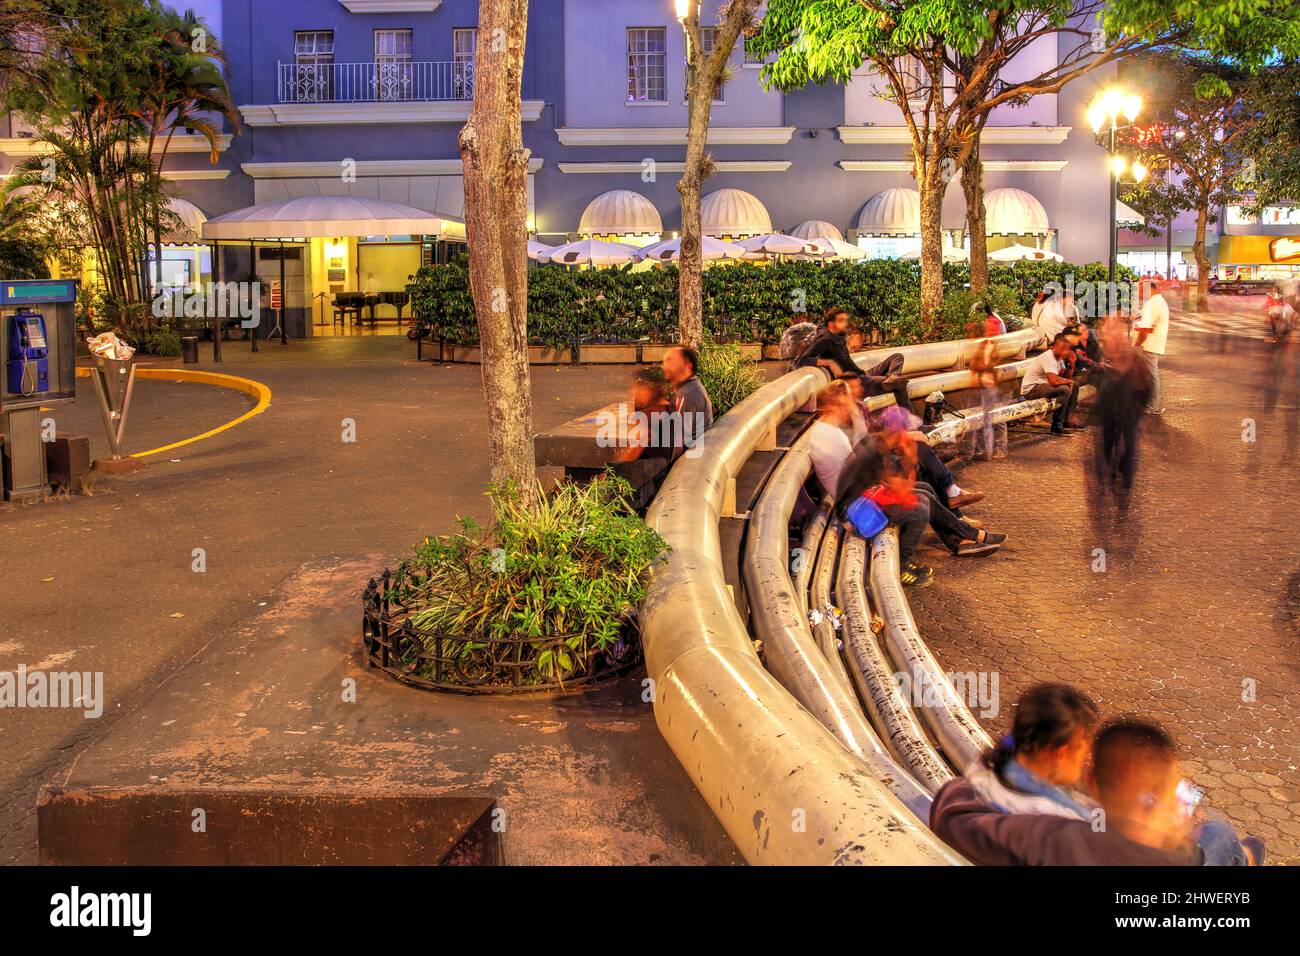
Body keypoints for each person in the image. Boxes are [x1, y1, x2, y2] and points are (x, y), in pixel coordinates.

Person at [933, 714, 1263, 866]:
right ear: (1158, 807)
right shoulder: (1182, 858)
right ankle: (1247, 859)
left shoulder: (1054, 839)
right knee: (1219, 833)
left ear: (1092, 785)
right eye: (1178, 797)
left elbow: (952, 813)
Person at [870, 405, 1005, 558]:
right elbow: (898, 487)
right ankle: (965, 529)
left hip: (875, 490)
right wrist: (910, 458)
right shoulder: (872, 453)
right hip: (865, 506)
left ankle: (961, 536)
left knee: (926, 485)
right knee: (922, 499)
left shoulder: (876, 446)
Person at [844, 376, 985, 510]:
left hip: (875, 456)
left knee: (924, 450)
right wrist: (903, 437)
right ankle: (952, 497)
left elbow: (870, 437)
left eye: (858, 387)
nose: (859, 390)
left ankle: (954, 505)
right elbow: (864, 444)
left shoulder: (859, 407)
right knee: (921, 453)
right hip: (870, 465)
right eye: (852, 388)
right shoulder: (847, 415)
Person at [965, 316, 1009, 461]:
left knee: (997, 418)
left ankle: (1000, 448)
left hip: (994, 386)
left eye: (991, 329)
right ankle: (982, 450)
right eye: (987, 329)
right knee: (980, 417)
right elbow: (975, 363)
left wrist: (982, 366)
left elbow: (995, 364)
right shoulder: (983, 344)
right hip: (981, 384)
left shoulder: (1001, 344)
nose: (988, 332)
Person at [1020, 334, 1081, 436]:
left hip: (1043, 385)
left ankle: (1067, 421)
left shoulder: (1059, 358)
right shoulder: (1049, 357)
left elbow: (1065, 378)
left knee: (1075, 385)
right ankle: (1057, 426)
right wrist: (1067, 382)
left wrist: (1072, 365)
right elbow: (1054, 381)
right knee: (1064, 390)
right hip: (1031, 388)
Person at [806, 381, 856, 497]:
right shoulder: (824, 434)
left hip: (854, 496)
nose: (852, 404)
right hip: (851, 500)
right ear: (840, 399)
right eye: (850, 398)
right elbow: (848, 478)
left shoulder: (833, 430)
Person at [662, 345, 713, 459]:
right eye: (664, 361)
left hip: (688, 462)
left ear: (687, 365)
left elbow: (676, 444)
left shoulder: (686, 396)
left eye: (670, 361)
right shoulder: (693, 387)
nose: (664, 366)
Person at [1133, 279, 1169, 414]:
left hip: (1149, 345)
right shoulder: (1158, 302)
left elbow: (1145, 328)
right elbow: (1144, 323)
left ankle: (1152, 406)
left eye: (1142, 290)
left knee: (1151, 376)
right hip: (1152, 345)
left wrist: (1136, 345)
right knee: (1149, 376)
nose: (1140, 293)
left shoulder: (1153, 303)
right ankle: (1151, 404)